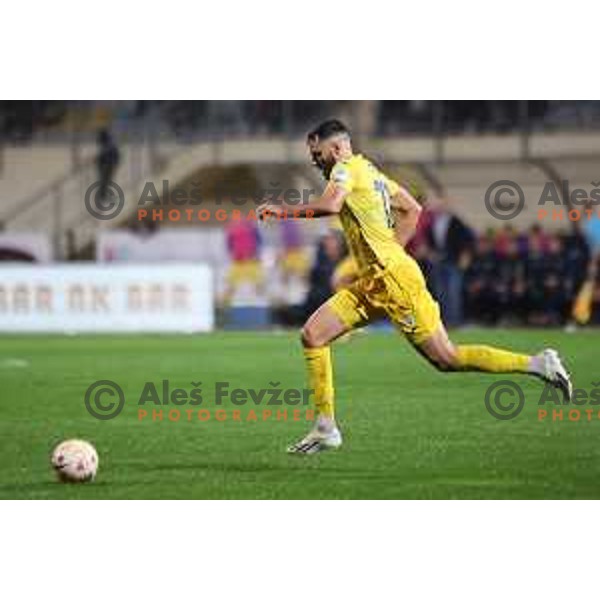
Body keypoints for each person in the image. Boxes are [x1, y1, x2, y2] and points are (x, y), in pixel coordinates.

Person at [258, 119, 572, 455]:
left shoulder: (344, 170)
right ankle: (325, 428)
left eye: (317, 153)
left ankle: (539, 364)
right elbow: (412, 207)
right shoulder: (371, 172)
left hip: (396, 285)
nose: (314, 161)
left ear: (334, 148)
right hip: (374, 282)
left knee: (446, 359)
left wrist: (283, 212)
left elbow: (332, 205)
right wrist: (393, 250)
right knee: (313, 335)